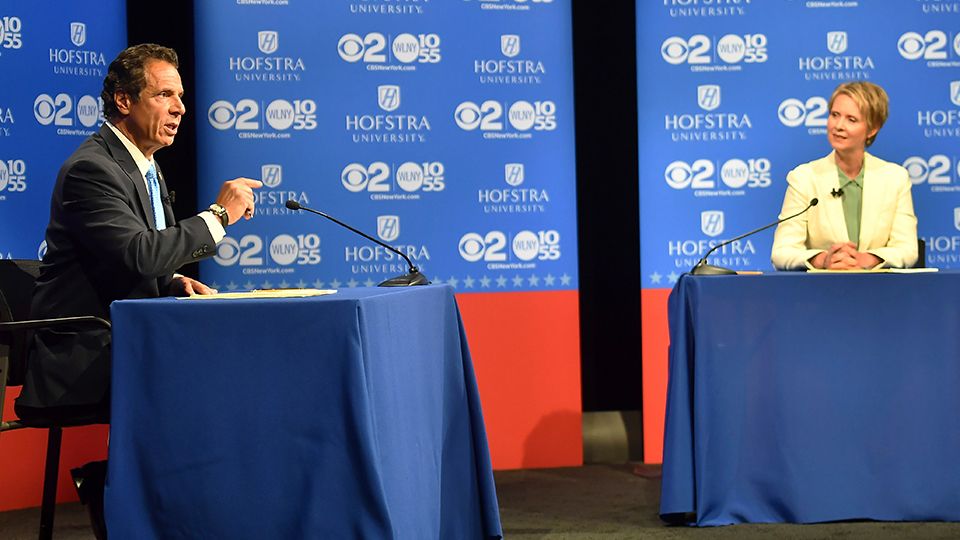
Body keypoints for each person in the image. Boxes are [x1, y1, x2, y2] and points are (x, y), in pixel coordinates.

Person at [14, 43, 262, 538]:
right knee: (217, 383)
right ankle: (134, 503)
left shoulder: (145, 167)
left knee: (236, 370)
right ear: (124, 101)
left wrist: (172, 281)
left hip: (128, 340)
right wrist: (218, 215)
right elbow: (139, 253)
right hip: (87, 352)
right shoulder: (92, 169)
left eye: (181, 97)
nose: (180, 108)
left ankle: (162, 506)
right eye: (165, 95)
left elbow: (130, 261)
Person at [771, 81, 917, 270]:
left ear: (872, 129)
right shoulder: (804, 178)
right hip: (822, 286)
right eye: (834, 115)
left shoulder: (895, 178)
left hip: (879, 286)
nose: (838, 126)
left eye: (851, 119)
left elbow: (908, 250)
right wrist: (822, 260)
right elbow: (782, 251)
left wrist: (867, 259)